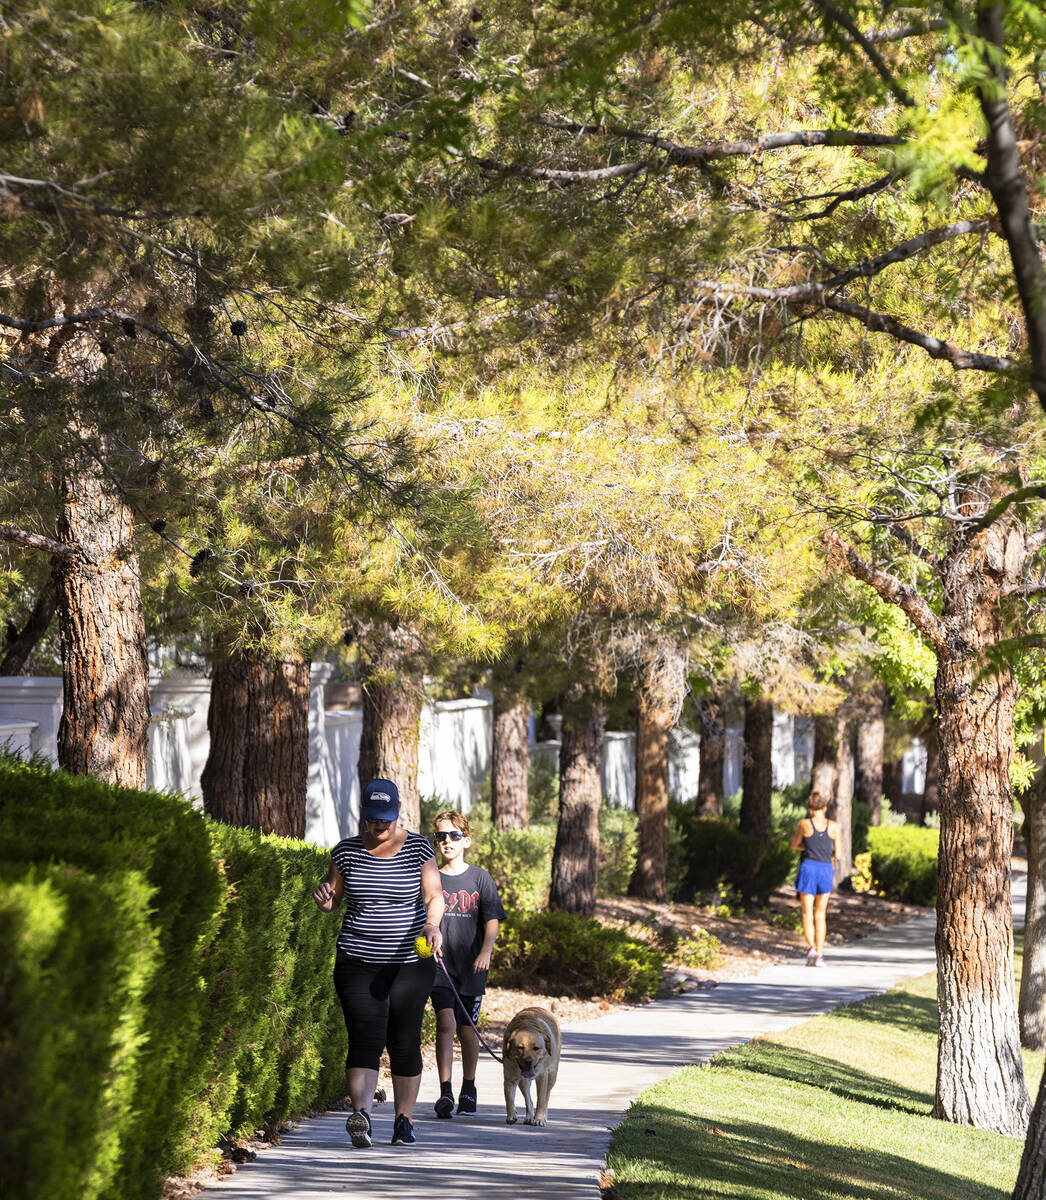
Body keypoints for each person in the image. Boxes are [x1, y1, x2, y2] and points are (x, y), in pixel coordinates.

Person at [313, 778, 445, 1148]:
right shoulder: (346, 852)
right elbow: (333, 900)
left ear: (397, 813)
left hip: (409, 962)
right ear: (364, 816)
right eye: (373, 819)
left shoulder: (418, 847)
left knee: (404, 1039)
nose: (380, 826)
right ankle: (362, 1117)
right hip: (357, 960)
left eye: (386, 819)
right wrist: (324, 901)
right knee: (365, 1038)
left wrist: (432, 926)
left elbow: (434, 895)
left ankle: (404, 1121)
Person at [429, 810, 505, 1118]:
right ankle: (446, 1091)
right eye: (441, 836)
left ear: (466, 840)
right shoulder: (431, 874)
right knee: (445, 1024)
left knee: (467, 1029)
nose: (447, 842)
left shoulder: (480, 878)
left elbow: (492, 920)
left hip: (472, 967)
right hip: (439, 965)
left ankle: (469, 1088)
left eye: (454, 836)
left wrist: (486, 951)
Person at [790, 790, 841, 967]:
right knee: (821, 914)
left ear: (810, 808)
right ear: (825, 808)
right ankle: (819, 955)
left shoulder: (804, 824)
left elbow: (794, 845)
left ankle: (811, 948)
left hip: (808, 868)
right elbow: (839, 853)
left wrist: (807, 847)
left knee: (807, 912)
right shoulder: (834, 826)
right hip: (825, 869)